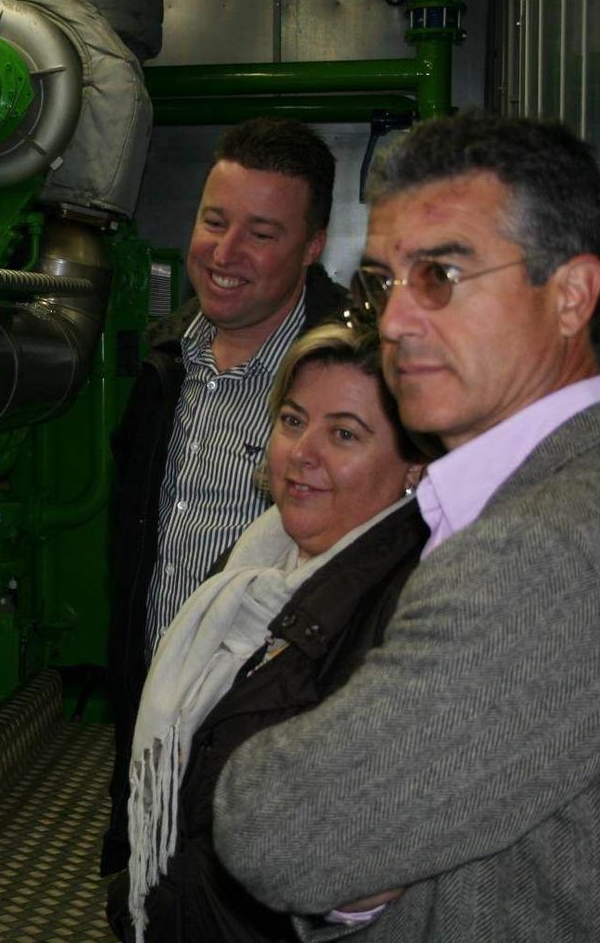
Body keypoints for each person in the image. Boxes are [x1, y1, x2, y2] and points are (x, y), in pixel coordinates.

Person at [212, 114, 600, 940]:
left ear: (571, 295)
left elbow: (276, 830)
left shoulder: (542, 552)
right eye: (384, 282)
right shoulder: (589, 483)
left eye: (443, 275)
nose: (394, 323)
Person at [106, 319, 436, 943]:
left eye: (344, 433)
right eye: (292, 420)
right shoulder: (260, 561)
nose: (301, 452)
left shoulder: (408, 614)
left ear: (415, 463)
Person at [104, 119, 349, 874]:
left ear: (313, 246)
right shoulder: (165, 360)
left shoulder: (352, 381)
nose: (224, 254)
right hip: (155, 725)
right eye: (214, 221)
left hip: (281, 747)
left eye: (262, 233)